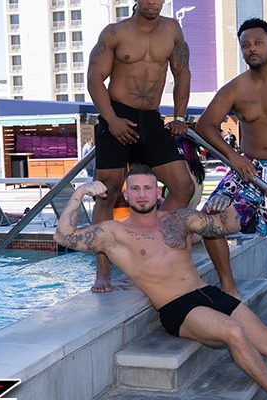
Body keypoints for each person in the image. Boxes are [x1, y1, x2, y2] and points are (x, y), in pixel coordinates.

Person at [53, 165, 267, 400]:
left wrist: (223, 207)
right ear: (127, 192)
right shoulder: (114, 233)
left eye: (148, 187)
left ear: (158, 191)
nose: (142, 194)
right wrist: (80, 193)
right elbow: (63, 236)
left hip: (206, 293)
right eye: (135, 188)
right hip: (176, 307)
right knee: (233, 332)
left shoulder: (179, 219)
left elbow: (227, 226)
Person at [195, 18, 267, 332]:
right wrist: (233, 157)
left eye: (258, 42)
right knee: (207, 220)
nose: (252, 49)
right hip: (247, 169)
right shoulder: (236, 88)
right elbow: (205, 125)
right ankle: (230, 290)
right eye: (245, 45)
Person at [86, 0, 195, 293]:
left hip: (151, 119)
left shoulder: (172, 30)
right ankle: (103, 273)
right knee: (105, 194)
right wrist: (111, 120)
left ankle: (151, 249)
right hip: (116, 114)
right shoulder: (115, 33)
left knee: (183, 186)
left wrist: (180, 116)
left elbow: (182, 73)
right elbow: (94, 78)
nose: (153, 2)